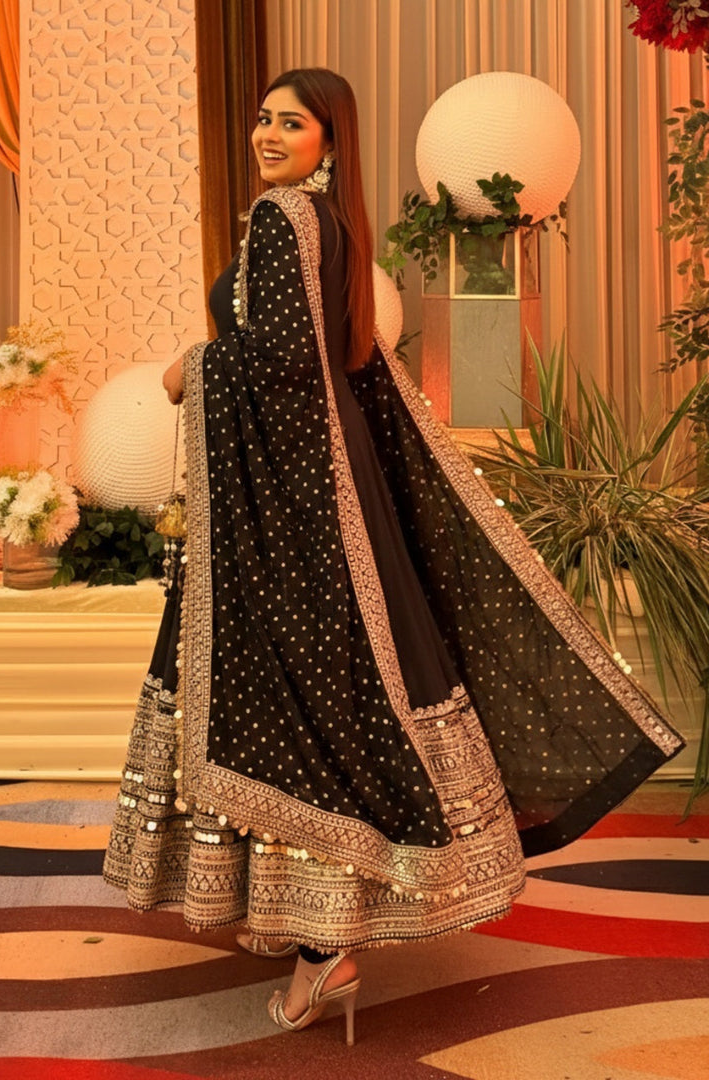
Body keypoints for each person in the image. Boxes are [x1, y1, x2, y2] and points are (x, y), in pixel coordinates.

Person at [104, 67, 684, 1044]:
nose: (268, 134)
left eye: (292, 122)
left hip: (294, 515)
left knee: (294, 703)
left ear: (331, 141)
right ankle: (304, 919)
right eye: (263, 118)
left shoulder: (284, 218)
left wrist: (186, 367)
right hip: (318, 498)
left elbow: (282, 364)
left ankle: (324, 951)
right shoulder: (333, 226)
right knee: (330, 696)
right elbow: (334, 364)